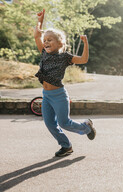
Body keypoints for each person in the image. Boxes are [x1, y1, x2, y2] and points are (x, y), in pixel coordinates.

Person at [34, 9, 96, 157]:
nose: (46, 42)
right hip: (46, 95)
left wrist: (85, 43)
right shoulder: (43, 52)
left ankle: (86, 127)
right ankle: (66, 146)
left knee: (64, 123)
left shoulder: (65, 57)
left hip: (59, 95)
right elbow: (37, 34)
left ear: (60, 42)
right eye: (45, 40)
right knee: (49, 124)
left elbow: (83, 60)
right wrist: (40, 21)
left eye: (50, 40)